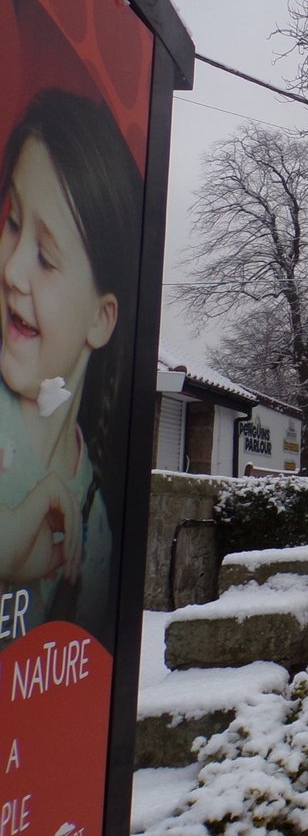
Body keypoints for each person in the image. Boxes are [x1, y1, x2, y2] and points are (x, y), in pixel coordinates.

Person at [0, 89, 141, 645]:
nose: (12, 270)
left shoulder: (94, 524)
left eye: (45, 256)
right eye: (12, 222)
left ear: (101, 319)